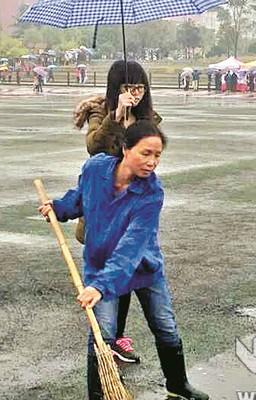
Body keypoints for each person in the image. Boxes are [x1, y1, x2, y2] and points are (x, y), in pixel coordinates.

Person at [38, 121, 209, 400]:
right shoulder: (95, 169)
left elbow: (131, 248)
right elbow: (80, 198)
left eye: (157, 155)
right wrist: (58, 208)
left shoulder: (151, 193)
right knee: (102, 336)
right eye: (146, 153)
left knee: (165, 327)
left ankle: (177, 383)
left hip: (142, 269)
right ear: (126, 149)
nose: (152, 162)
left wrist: (101, 287)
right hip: (100, 266)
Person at [73, 60, 162, 364]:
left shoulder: (148, 117)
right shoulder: (101, 113)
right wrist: (116, 117)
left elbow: (151, 155)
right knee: (108, 282)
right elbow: (94, 148)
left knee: (126, 275)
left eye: (139, 87)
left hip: (134, 209)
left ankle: (115, 339)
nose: (135, 93)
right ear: (116, 88)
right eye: (128, 87)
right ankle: (105, 343)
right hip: (105, 208)